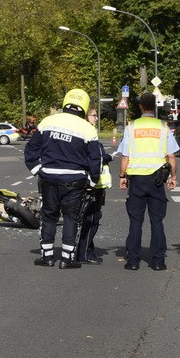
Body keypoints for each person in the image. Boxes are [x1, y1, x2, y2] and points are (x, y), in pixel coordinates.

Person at [24, 88, 103, 269]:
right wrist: (92, 181)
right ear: (83, 107)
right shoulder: (88, 128)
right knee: (71, 218)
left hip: (49, 179)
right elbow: (95, 159)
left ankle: (47, 257)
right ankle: (67, 259)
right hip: (75, 181)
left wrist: (38, 170)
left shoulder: (48, 122)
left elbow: (30, 150)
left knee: (49, 217)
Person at [117, 93, 179, 271]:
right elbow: (171, 156)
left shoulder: (132, 126)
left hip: (136, 179)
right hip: (157, 180)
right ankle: (158, 261)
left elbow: (125, 156)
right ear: (154, 106)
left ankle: (133, 261)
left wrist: (122, 177)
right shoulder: (163, 127)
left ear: (141, 107)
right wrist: (173, 177)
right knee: (157, 221)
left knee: (135, 221)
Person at [76, 108, 114, 264]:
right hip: (92, 184)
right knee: (91, 218)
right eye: (93, 115)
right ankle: (83, 253)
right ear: (86, 117)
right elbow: (93, 157)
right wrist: (108, 157)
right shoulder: (88, 132)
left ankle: (87, 251)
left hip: (95, 184)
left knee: (90, 217)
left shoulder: (84, 132)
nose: (96, 118)